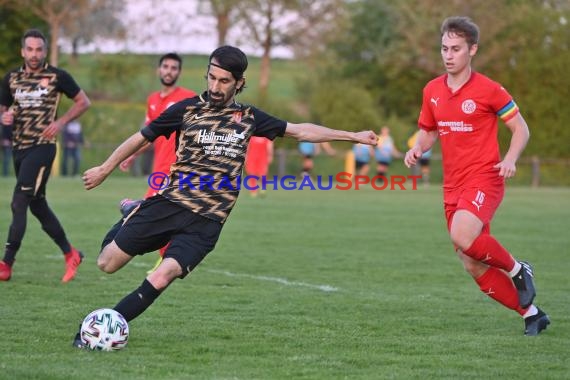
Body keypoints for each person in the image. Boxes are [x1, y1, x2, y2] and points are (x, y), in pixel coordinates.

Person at [72, 45, 377, 348]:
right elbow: (141, 136)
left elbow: (300, 131)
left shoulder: (248, 117)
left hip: (207, 223)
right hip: (171, 204)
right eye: (212, 78)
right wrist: (105, 168)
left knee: (163, 276)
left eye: (224, 81)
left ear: (239, 83)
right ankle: (130, 214)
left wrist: (352, 136)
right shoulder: (186, 110)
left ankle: (99, 329)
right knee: (106, 264)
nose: (216, 87)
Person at [404, 17, 549, 336]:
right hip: (452, 185)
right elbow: (429, 132)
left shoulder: (489, 90)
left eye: (455, 49)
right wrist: (418, 148)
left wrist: (510, 158)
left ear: (472, 50)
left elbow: (520, 128)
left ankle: (518, 269)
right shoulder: (432, 91)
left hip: (485, 177)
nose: (448, 55)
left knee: (462, 235)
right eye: (444, 48)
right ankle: (532, 313)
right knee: (471, 261)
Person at [0, 29, 90, 282]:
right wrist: (3, 117)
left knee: (19, 201)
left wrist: (61, 122)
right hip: (19, 148)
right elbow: (3, 109)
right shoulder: (11, 78)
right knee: (36, 204)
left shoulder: (57, 76)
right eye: (30, 49)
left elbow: (83, 102)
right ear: (22, 51)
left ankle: (6, 263)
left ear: (45, 50)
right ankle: (70, 253)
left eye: (39, 49)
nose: (34, 54)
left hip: (42, 147)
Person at [118, 53, 197, 272]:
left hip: (177, 170)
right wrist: (132, 155)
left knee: (145, 214)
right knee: (161, 216)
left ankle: (165, 262)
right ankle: (167, 260)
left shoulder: (188, 97)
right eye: (166, 66)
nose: (169, 71)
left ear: (179, 72)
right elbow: (148, 135)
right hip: (159, 169)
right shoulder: (153, 100)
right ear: (159, 70)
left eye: (174, 67)